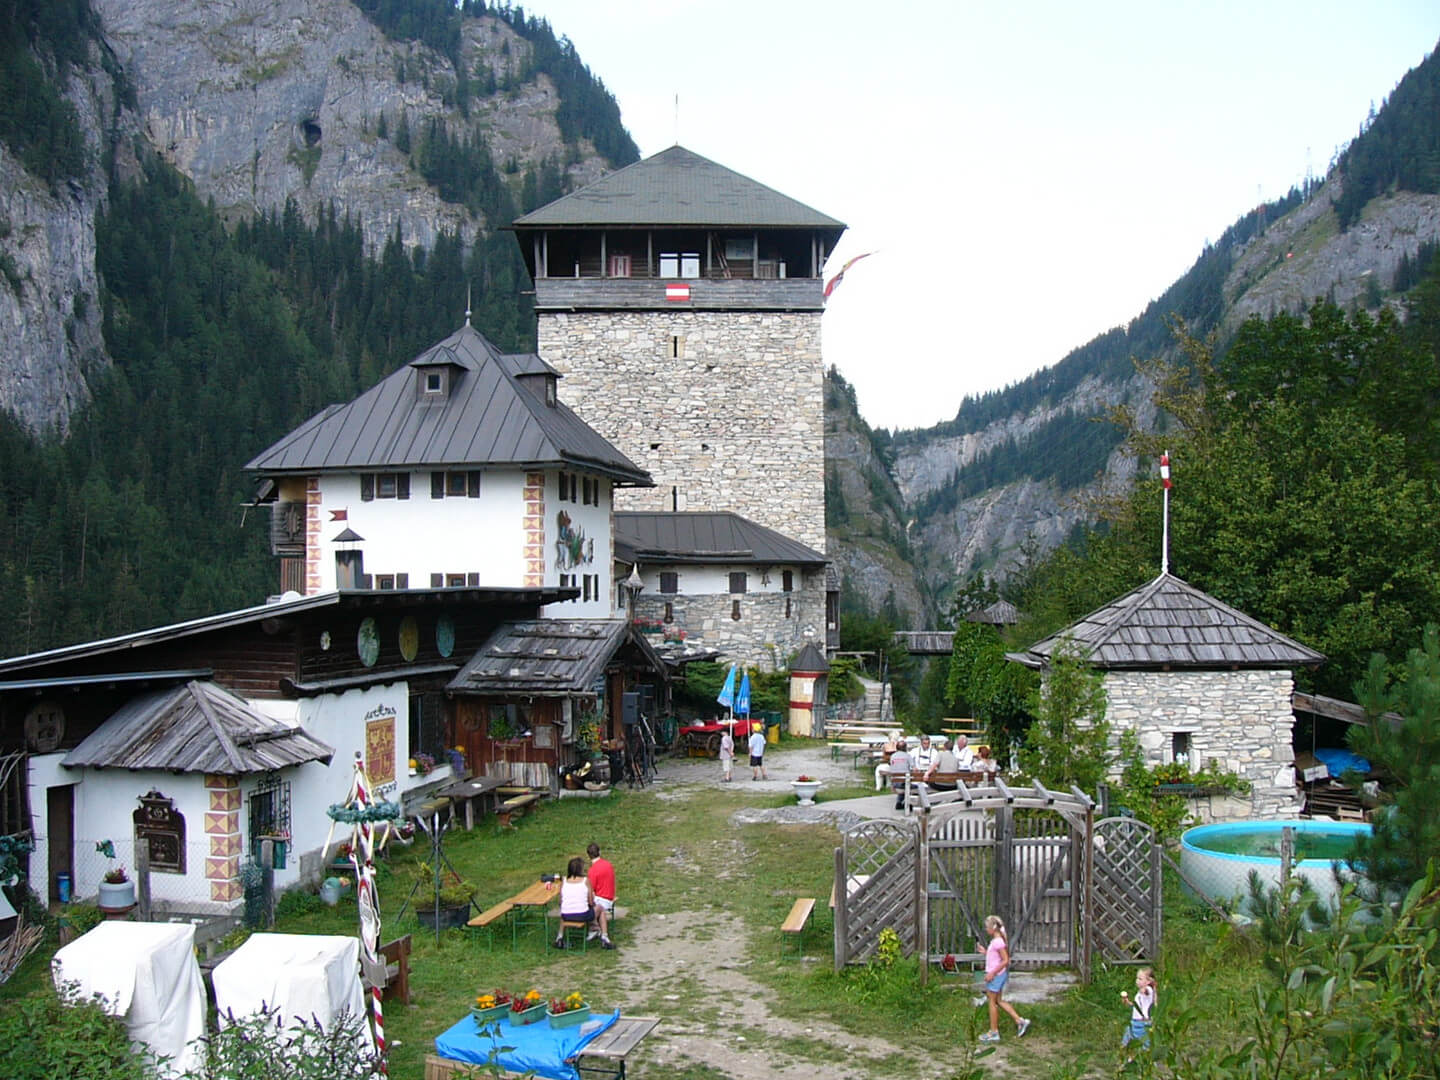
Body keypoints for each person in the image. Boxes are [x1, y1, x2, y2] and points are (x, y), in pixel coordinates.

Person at [977, 915, 1030, 1043]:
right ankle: (1020, 1021)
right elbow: (996, 957)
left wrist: (992, 974)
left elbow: (1006, 960)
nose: (985, 929)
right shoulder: (997, 941)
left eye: (987, 927)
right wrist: (985, 952)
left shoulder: (998, 942)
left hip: (996, 975)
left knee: (992, 1001)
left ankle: (994, 1032)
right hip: (998, 974)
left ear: (992, 928)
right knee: (999, 1000)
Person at [554, 856, 594, 949]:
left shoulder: (564, 881)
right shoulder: (585, 881)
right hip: (582, 915)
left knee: (564, 914)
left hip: (566, 915)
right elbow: (591, 902)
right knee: (598, 909)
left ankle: (559, 937)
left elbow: (560, 901)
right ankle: (599, 932)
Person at [586, 841, 616, 949]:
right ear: (599, 852)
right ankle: (601, 933)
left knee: (586, 903)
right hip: (610, 897)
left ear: (588, 855)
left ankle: (594, 928)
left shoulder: (592, 870)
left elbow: (590, 889)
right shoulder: (608, 864)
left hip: (601, 898)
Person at [1120, 966, 1156, 1054]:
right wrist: (1128, 1002)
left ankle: (1147, 1061)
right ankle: (1128, 1058)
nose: (1137, 981)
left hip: (1143, 1024)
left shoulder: (1149, 990)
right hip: (1135, 1022)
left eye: (1140, 979)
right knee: (1128, 1040)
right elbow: (1137, 1006)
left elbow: (1147, 992)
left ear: (1148, 981)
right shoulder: (1139, 993)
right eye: (1137, 978)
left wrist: (1145, 989)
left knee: (1145, 1045)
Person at [888, 739, 911, 810]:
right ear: (905, 748)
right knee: (912, 784)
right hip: (904, 783)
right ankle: (908, 803)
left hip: (895, 783)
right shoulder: (907, 756)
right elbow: (914, 768)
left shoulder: (892, 756)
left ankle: (899, 802)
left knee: (904, 783)